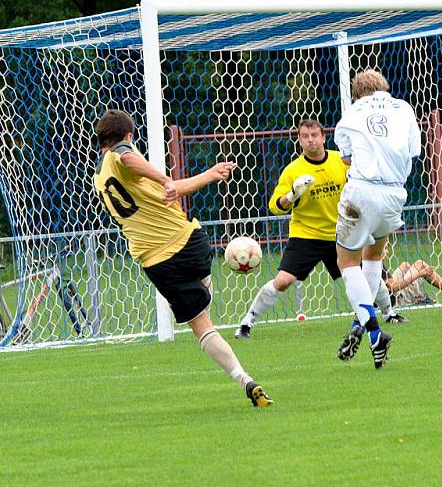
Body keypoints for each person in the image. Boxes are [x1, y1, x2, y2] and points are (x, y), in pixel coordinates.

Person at [93, 109, 271, 408]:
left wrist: (209, 175)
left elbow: (171, 191)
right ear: (128, 135)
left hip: (158, 264)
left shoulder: (101, 178)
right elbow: (128, 158)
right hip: (189, 244)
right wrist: (165, 178)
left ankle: (244, 379)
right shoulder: (120, 154)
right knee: (203, 293)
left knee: (203, 327)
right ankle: (205, 289)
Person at [334, 69, 421, 368]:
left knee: (347, 263)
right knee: (373, 258)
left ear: (357, 94)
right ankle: (361, 322)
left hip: (361, 192)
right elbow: (413, 152)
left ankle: (372, 330)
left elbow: (346, 157)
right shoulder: (405, 109)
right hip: (395, 195)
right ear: (385, 87)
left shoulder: (352, 112)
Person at [234, 119, 348, 339]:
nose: (311, 140)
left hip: (340, 233)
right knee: (283, 281)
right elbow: (274, 207)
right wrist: (292, 195)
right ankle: (247, 322)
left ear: (324, 137)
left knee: (364, 275)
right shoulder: (293, 170)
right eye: (305, 136)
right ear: (299, 140)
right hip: (306, 235)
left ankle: (389, 312)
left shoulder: (340, 161)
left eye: (315, 135)